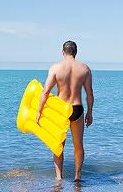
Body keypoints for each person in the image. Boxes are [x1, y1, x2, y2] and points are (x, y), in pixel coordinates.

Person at [36, 40, 94, 182]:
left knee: (58, 144)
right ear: (76, 52)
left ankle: (59, 177)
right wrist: (90, 113)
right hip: (77, 108)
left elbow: (45, 92)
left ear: (63, 52)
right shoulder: (84, 69)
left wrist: (39, 112)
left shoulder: (56, 68)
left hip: (61, 110)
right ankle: (77, 177)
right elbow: (89, 94)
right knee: (78, 145)